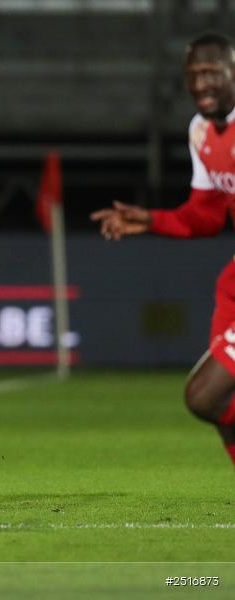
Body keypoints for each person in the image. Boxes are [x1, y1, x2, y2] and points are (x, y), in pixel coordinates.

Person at [90, 33, 235, 468]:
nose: (200, 84)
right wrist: (152, 220)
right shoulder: (200, 132)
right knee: (219, 406)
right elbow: (206, 215)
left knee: (204, 396)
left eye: (212, 72)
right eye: (192, 75)